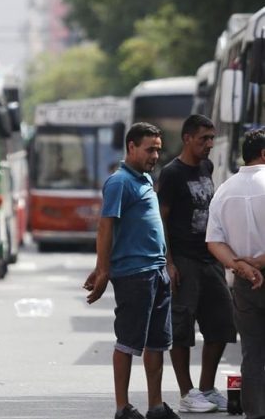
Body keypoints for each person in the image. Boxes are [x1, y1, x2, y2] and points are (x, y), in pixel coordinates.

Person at [84, 122, 181, 419]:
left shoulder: (145, 180)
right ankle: (122, 407)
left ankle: (155, 405)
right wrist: (103, 270)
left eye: (158, 150)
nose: (155, 155)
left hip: (156, 271)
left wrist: (167, 262)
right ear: (131, 147)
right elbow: (105, 227)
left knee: (157, 343)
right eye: (150, 149)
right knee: (127, 341)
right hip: (134, 274)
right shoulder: (119, 182)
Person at [156, 114, 234, 413]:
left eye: (212, 138)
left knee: (222, 323)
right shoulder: (172, 173)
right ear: (187, 138)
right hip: (184, 260)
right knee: (182, 328)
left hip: (209, 257)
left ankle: (207, 388)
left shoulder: (207, 166)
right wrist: (169, 262)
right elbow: (161, 219)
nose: (210, 144)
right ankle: (187, 392)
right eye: (204, 138)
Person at [206, 128, 265, 419]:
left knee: (251, 353)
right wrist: (259, 263)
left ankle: (254, 413)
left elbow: (213, 241)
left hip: (243, 284)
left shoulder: (224, 190)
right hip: (258, 274)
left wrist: (242, 267)